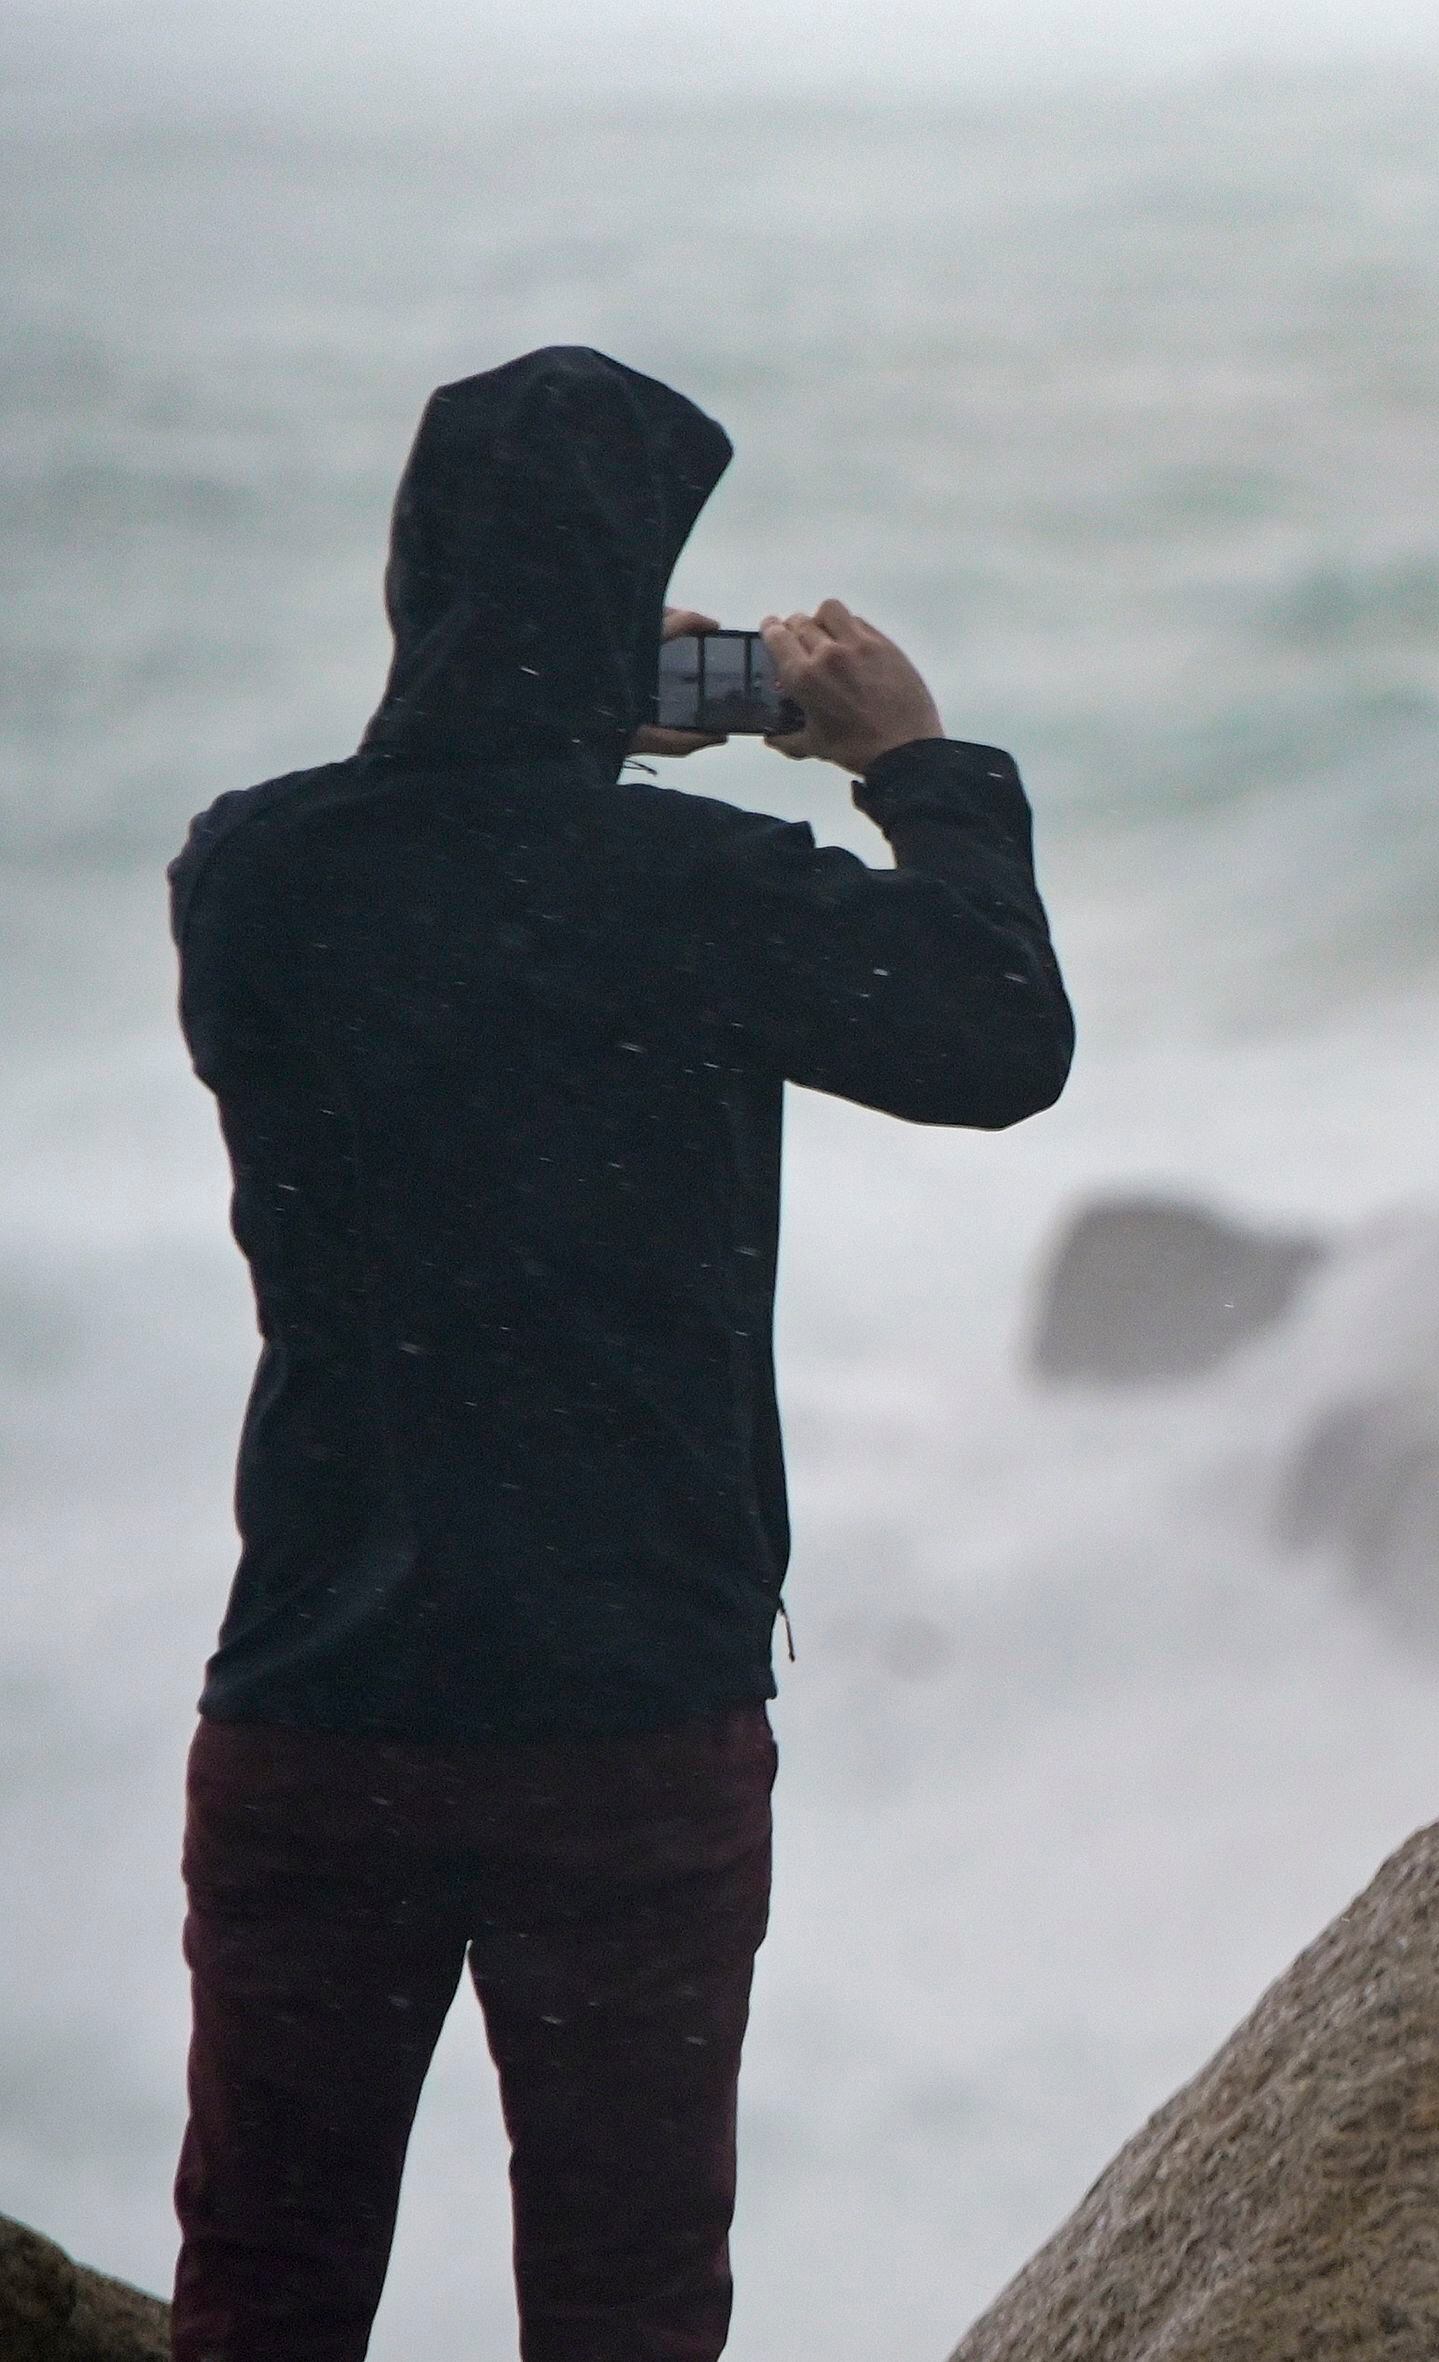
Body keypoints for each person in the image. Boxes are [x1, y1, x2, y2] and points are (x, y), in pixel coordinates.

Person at [163, 346, 1073, 2362]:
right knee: (626, 2294)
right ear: (619, 614)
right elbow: (999, 1037)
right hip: (625, 1699)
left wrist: (555, 729)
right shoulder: (687, 892)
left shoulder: (249, 872)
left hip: (321, 1687)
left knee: (265, 2279)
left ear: (419, 582)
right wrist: (915, 760)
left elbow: (441, 877)